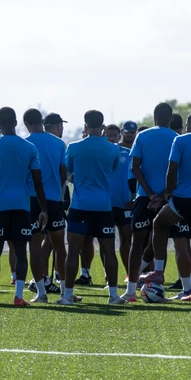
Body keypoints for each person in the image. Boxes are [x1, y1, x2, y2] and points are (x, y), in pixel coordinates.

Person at [141, 110, 191, 305]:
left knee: (159, 223)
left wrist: (168, 192)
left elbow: (172, 170)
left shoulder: (180, 141)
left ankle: (158, 271)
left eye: (187, 123)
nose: (185, 127)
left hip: (183, 199)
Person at [0, 107, 47, 307]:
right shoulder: (29, 148)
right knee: (20, 251)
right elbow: (38, 182)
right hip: (21, 206)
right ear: (16, 122)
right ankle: (18, 297)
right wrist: (44, 209)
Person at [58, 110, 124, 305]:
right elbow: (112, 169)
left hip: (80, 205)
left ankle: (68, 295)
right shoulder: (113, 149)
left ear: (85, 126)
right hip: (103, 206)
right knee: (109, 251)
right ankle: (113, 295)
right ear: (103, 127)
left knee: (73, 251)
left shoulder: (74, 147)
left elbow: (69, 169)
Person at [124, 103, 179, 300]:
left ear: (154, 117)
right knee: (160, 241)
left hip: (144, 198)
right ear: (171, 118)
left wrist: (149, 194)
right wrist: (163, 195)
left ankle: (130, 291)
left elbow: (135, 167)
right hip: (167, 199)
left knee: (137, 243)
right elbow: (178, 171)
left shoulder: (142, 136)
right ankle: (156, 285)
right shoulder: (177, 138)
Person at [23, 109, 67, 301]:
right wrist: (56, 188)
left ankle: (41, 292)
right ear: (41, 121)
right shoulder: (58, 143)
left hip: (32, 200)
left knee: (34, 246)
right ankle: (66, 292)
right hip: (54, 200)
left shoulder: (25, 144)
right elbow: (63, 172)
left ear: (26, 124)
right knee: (59, 246)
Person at [107, 123, 135, 287]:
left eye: (114, 135)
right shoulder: (105, 153)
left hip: (126, 204)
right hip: (107, 203)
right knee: (107, 242)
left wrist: (133, 197)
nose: (112, 138)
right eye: (109, 135)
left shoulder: (131, 153)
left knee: (127, 239)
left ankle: (129, 273)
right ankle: (108, 276)